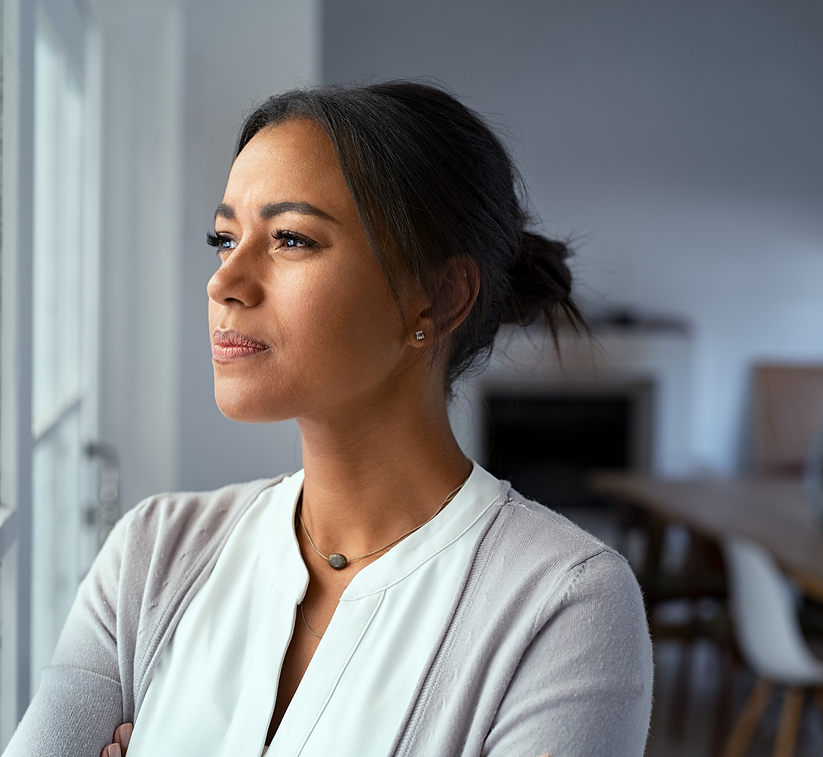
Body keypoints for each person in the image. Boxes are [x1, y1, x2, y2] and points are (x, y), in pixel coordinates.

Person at [5, 82, 653, 757]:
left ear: (437, 298)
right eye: (225, 238)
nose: (224, 281)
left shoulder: (565, 608)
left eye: (290, 238)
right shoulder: (152, 554)